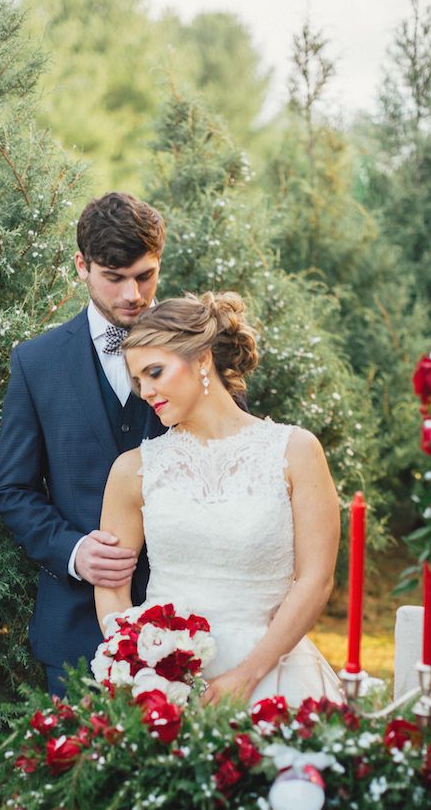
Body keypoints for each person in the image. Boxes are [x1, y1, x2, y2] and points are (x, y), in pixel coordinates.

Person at [95, 291, 343, 707]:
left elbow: (316, 580)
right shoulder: (132, 469)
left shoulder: (295, 451)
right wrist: (136, 666)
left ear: (202, 359)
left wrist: (249, 673)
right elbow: (112, 586)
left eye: (155, 372)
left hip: (273, 676)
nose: (145, 391)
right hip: (165, 689)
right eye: (138, 380)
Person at [0, 192, 167, 695]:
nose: (133, 294)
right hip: (74, 633)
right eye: (114, 278)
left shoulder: (201, 351)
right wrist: (73, 551)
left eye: (146, 275)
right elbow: (15, 490)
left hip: (191, 617)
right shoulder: (36, 363)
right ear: (82, 266)